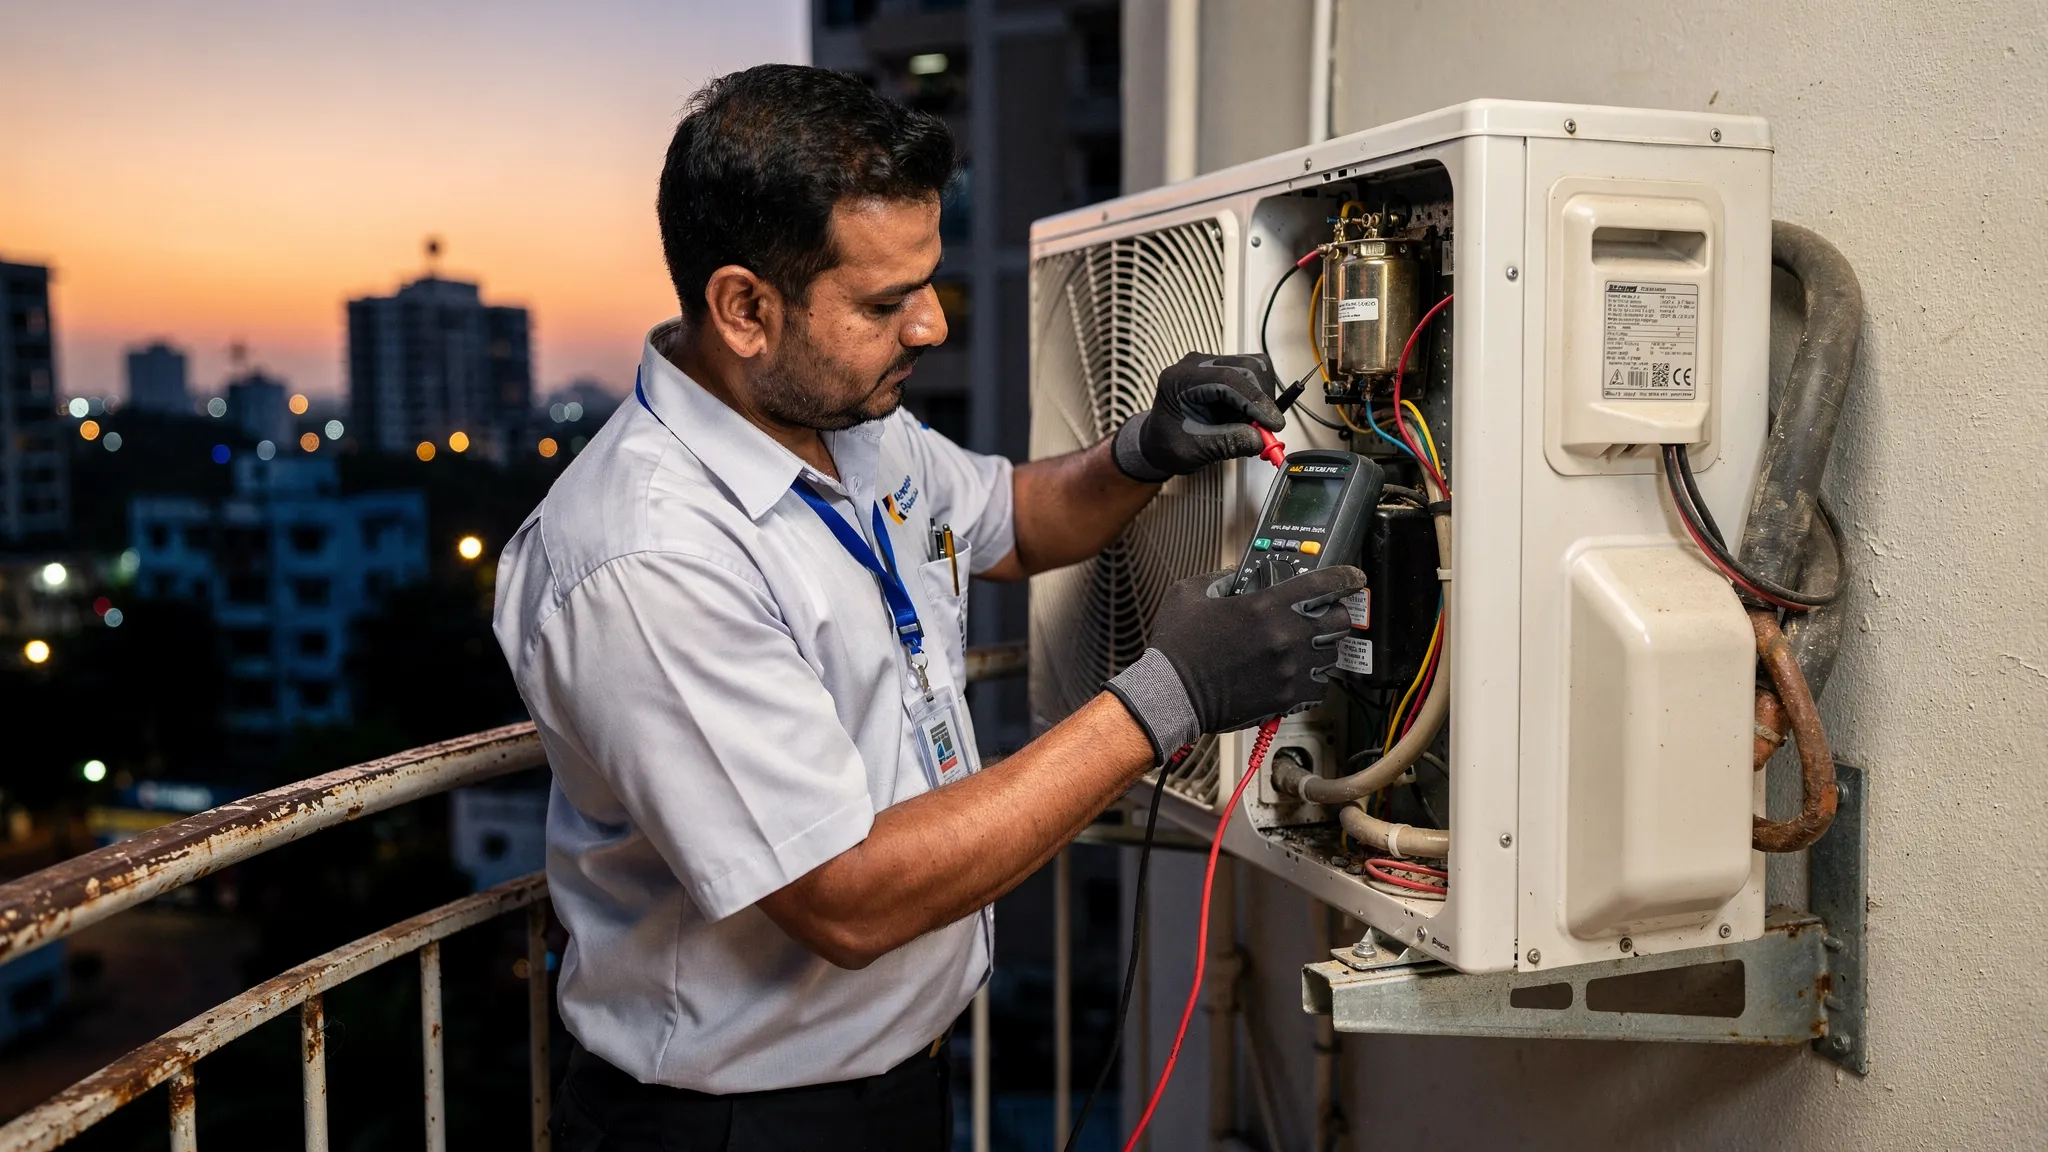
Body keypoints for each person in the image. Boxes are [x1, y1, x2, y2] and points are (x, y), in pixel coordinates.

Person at [492, 64, 1362, 1151]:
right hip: (734, 1126)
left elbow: (1015, 514)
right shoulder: (643, 556)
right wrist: (1168, 695)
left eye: (927, 283)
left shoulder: (849, 423)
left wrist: (1143, 449)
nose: (929, 328)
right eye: (881, 302)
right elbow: (844, 899)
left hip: (896, 1084)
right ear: (743, 309)